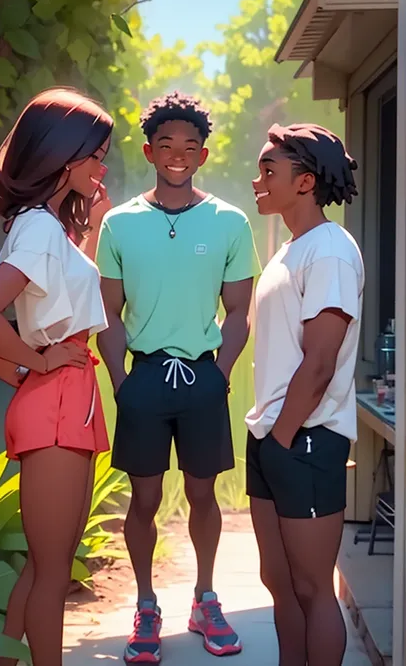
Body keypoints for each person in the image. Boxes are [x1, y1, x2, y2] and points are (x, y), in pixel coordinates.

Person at [96, 91, 260, 664]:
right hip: (143, 377)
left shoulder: (229, 222)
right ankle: (145, 606)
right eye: (166, 145)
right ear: (149, 150)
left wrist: (219, 375)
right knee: (141, 499)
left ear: (204, 155)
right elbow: (108, 316)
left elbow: (239, 312)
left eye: (190, 146)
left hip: (201, 378)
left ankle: (205, 598)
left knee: (201, 493)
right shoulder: (118, 224)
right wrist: (121, 382)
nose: (178, 155)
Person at [0, 87, 113, 666]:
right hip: (57, 399)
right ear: (65, 157)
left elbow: (63, 292)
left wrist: (90, 225)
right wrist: (39, 360)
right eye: (97, 154)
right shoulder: (40, 230)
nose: (102, 166)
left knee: (46, 565)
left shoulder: (46, 229)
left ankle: (2, 663)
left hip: (69, 396)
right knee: (52, 575)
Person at [246, 123, 364, 666]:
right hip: (273, 437)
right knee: (280, 581)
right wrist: (270, 438)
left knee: (314, 587)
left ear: (305, 182)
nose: (258, 180)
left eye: (269, 171)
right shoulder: (293, 250)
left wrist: (285, 436)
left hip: (307, 440)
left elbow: (320, 363)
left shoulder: (332, 252)